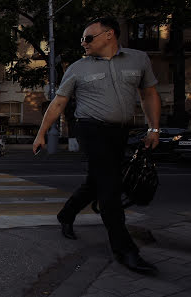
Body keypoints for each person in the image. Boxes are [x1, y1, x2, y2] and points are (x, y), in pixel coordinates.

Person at [32, 17, 161, 274]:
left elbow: (148, 94)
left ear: (109, 35)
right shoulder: (78, 68)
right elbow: (58, 103)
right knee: (109, 188)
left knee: (97, 181)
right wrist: (41, 133)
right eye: (82, 39)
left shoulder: (138, 59)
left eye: (88, 38)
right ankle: (125, 251)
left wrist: (154, 128)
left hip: (121, 131)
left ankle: (66, 214)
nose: (83, 43)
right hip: (90, 129)